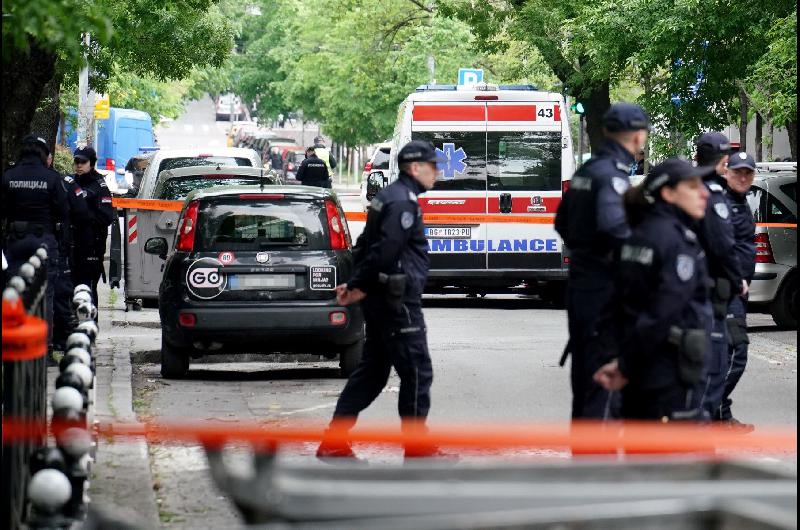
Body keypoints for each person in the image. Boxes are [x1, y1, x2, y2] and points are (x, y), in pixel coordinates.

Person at [316, 140, 443, 460]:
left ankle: (334, 440)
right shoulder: (403, 202)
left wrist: (358, 284)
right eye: (433, 166)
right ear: (415, 168)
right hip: (397, 302)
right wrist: (359, 283)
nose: (437, 173)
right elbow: (385, 251)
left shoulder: (388, 197)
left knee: (372, 372)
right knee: (417, 371)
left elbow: (364, 245)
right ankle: (417, 448)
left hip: (383, 298)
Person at [593, 158, 712, 421]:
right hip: (668, 373)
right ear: (668, 193)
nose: (704, 192)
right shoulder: (677, 242)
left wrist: (614, 359)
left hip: (639, 372)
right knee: (672, 457)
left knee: (641, 454)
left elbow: (612, 308)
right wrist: (624, 366)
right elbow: (662, 313)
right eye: (692, 186)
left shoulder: (636, 236)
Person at [554, 102, 650, 419]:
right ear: (637, 137)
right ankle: (599, 466)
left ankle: (586, 463)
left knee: (586, 389)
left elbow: (562, 223)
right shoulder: (612, 178)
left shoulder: (585, 172)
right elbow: (616, 231)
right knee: (605, 394)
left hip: (583, 290)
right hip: (605, 298)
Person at [693, 133, 744, 419]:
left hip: (682, 294)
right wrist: (738, 282)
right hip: (710, 296)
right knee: (712, 373)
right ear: (724, 160)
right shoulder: (714, 195)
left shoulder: (683, 189)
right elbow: (724, 247)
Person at [1, 134, 69, 348]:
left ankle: (15, 343)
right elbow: (64, 210)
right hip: (44, 242)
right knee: (45, 293)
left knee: (15, 290)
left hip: (15, 241)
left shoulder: (9, 176)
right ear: (43, 154)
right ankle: (43, 347)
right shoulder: (51, 178)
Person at [718, 151, 758, 431]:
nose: (743, 177)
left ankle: (718, 413)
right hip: (726, 290)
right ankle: (711, 409)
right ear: (726, 173)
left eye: (748, 173)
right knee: (737, 351)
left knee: (726, 353)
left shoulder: (742, 203)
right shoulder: (721, 205)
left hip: (738, 290)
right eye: (738, 172)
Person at [50, 152, 90, 351]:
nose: (78, 165)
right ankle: (61, 338)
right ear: (49, 159)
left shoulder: (12, 175)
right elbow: (81, 211)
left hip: (20, 244)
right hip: (57, 245)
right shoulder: (61, 181)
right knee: (60, 291)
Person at [71, 146, 115, 312]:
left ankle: (89, 327)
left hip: (91, 246)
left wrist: (83, 217)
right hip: (71, 245)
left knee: (87, 289)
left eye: (83, 162)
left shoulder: (99, 186)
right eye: (76, 162)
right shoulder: (70, 182)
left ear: (92, 164)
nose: (79, 165)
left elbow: (106, 217)